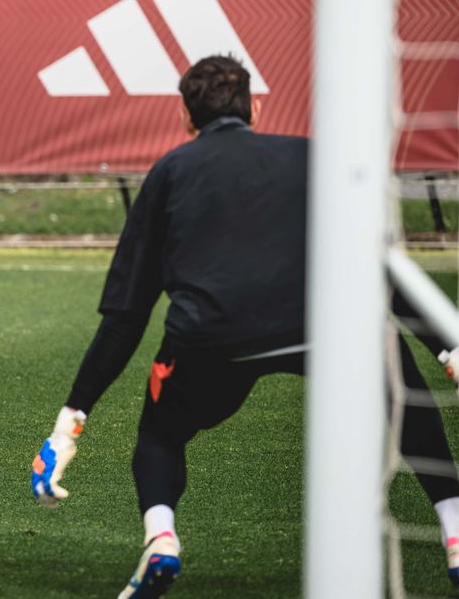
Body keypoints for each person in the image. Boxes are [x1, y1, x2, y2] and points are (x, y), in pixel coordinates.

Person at [27, 55, 459, 597]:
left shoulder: (169, 172)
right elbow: (377, 265)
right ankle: (455, 530)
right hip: (320, 326)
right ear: (254, 107)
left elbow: (126, 316)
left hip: (213, 340)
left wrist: (70, 422)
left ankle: (161, 539)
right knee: (402, 386)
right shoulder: (312, 157)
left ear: (186, 118)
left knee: (160, 433)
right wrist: (447, 348)